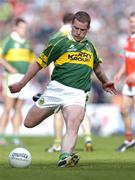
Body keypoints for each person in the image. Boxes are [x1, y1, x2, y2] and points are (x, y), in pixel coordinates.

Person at [9, 11, 117, 167]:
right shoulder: (59, 42)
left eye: (82, 30)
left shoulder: (90, 46)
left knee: (73, 124)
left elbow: (97, 68)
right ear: (71, 25)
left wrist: (105, 82)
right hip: (56, 90)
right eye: (76, 28)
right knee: (28, 123)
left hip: (78, 94)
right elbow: (38, 64)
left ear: (88, 29)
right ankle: (44, 100)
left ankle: (64, 157)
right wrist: (21, 84)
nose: (78, 32)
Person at [34, 12, 93, 153]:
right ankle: (88, 138)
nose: (78, 32)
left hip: (60, 82)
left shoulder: (58, 37)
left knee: (59, 113)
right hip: (79, 84)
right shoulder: (85, 41)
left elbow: (49, 61)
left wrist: (51, 81)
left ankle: (58, 143)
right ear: (72, 23)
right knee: (78, 114)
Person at [0, 17, 34, 146]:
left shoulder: (27, 43)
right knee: (8, 108)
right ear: (15, 27)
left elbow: (32, 59)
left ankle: (15, 136)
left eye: (25, 28)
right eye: (21, 27)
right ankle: (1, 136)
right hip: (11, 77)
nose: (24, 30)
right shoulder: (8, 41)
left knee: (19, 109)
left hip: (24, 78)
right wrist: (10, 68)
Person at [114, 12, 135, 152]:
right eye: (131, 21)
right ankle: (128, 140)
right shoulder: (129, 38)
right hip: (128, 82)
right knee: (123, 110)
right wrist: (119, 73)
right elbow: (126, 60)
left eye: (134, 21)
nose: (132, 24)